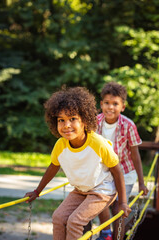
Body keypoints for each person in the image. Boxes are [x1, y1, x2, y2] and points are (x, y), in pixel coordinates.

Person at [24, 86, 131, 240]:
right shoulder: (61, 145)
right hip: (80, 190)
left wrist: (123, 202)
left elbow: (117, 170)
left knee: (75, 221)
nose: (66, 125)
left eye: (72, 119)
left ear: (85, 120)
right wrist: (37, 191)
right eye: (61, 120)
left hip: (102, 191)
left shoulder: (97, 143)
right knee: (58, 217)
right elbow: (53, 167)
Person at [96, 82, 148, 240]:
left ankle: (118, 237)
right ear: (101, 104)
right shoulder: (95, 123)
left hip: (125, 171)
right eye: (107, 103)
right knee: (100, 199)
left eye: (115, 104)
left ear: (122, 107)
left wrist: (141, 182)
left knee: (119, 208)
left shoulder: (128, 126)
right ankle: (106, 233)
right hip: (103, 171)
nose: (110, 107)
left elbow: (135, 155)